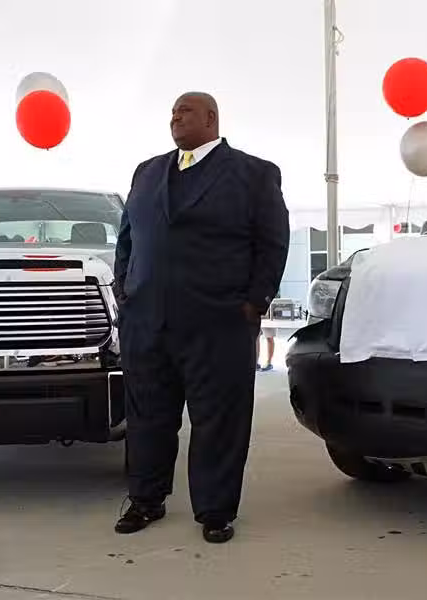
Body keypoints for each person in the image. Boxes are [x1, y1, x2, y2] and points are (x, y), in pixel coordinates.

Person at [112, 91, 290, 544]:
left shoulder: (254, 173)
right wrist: (124, 290)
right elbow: (128, 238)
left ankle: (215, 510)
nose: (175, 117)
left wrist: (254, 302)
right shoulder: (147, 172)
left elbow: (272, 242)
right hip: (147, 320)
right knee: (147, 417)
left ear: (211, 118)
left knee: (218, 420)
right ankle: (145, 499)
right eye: (172, 112)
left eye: (185, 111)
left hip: (219, 322)